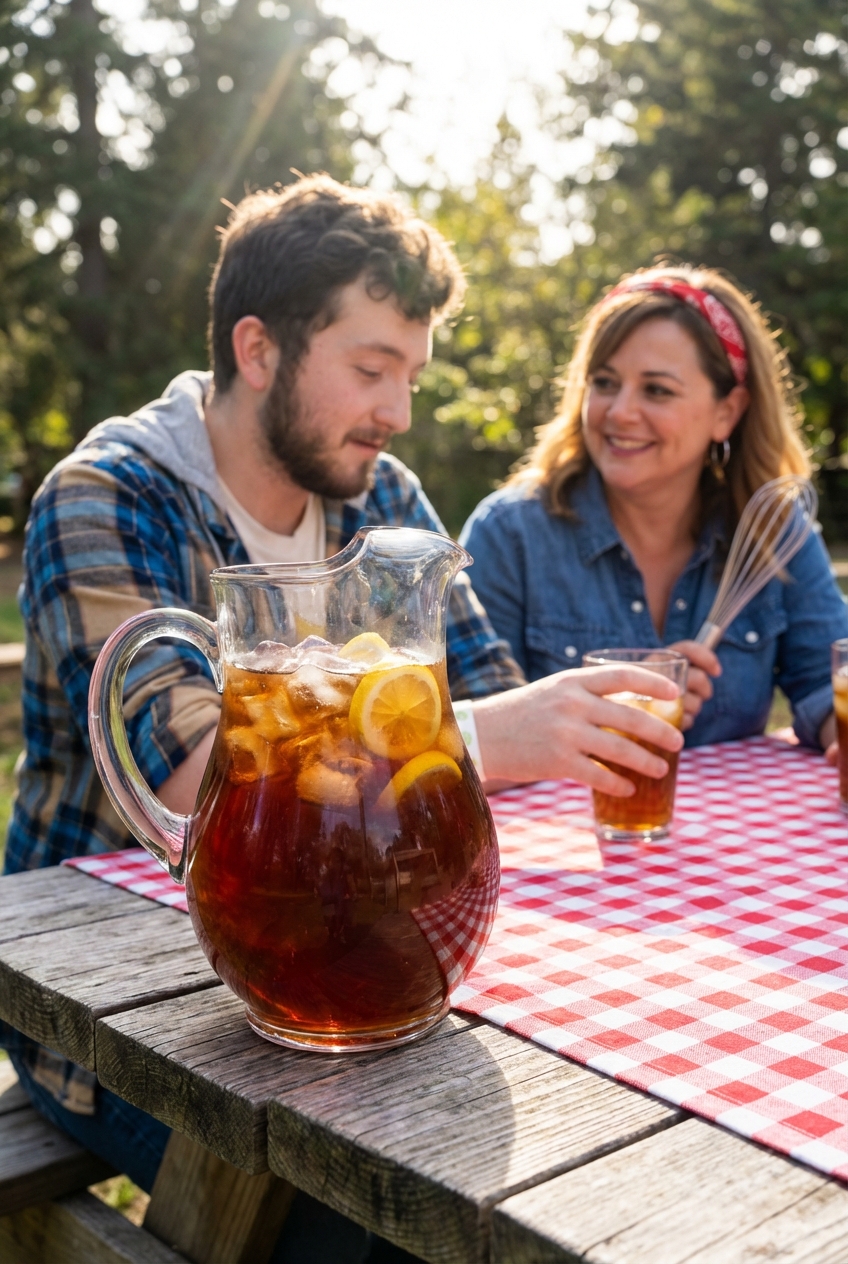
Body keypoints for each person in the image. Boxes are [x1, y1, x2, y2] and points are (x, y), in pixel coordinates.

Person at [2, 177, 684, 1260]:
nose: (398, 412)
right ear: (259, 348)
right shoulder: (109, 492)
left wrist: (516, 724)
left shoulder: (383, 494)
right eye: (371, 369)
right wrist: (492, 732)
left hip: (358, 956)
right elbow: (191, 784)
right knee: (364, 1219)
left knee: (569, 1171)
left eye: (409, 375)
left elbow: (482, 681)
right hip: (106, 1007)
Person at [461, 265, 848, 757]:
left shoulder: (772, 532)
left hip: (740, 829)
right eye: (604, 383)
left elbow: (827, 685)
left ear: (727, 411)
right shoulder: (510, 535)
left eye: (657, 390)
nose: (620, 411)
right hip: (566, 832)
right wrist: (612, 713)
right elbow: (471, 738)